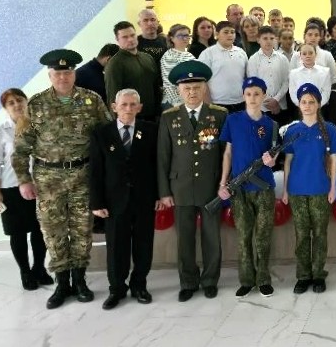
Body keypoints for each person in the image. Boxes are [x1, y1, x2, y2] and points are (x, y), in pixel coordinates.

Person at [12, 49, 111, 309]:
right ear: (50, 75)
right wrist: (24, 180)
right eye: (57, 73)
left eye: (67, 72)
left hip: (82, 177)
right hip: (48, 180)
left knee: (82, 231)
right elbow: (21, 148)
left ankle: (80, 281)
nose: (63, 77)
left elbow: (107, 138)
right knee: (52, 232)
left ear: (74, 73)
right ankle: (62, 283)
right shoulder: (35, 104)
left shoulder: (92, 100)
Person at [156, 61, 227, 302]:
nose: (192, 92)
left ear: (204, 88)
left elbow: (225, 154)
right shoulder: (169, 117)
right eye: (186, 88)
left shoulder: (219, 115)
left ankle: (210, 281)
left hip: (211, 186)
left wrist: (224, 184)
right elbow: (163, 157)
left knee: (211, 238)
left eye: (196, 87)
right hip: (181, 188)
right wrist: (164, 192)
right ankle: (188, 282)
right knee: (184, 239)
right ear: (178, 90)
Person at [88, 89, 159, 309]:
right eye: (124, 104)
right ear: (114, 107)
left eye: (133, 104)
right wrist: (96, 202)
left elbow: (157, 165)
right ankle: (117, 289)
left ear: (140, 107)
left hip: (144, 199)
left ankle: (139, 285)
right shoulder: (101, 133)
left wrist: (159, 195)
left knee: (143, 244)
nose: (128, 108)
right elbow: (95, 171)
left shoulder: (151, 130)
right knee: (116, 247)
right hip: (113, 202)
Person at [217, 77, 278, 298]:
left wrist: (271, 160)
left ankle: (263, 279)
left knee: (263, 237)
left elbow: (274, 155)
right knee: (243, 237)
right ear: (243, 96)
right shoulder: (232, 120)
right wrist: (223, 182)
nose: (253, 98)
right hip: (239, 189)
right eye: (249, 94)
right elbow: (228, 153)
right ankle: (246, 280)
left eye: (257, 94)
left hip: (264, 188)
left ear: (264, 96)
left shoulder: (271, 125)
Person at [0, 88, 52, 291]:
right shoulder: (1, 131)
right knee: (17, 233)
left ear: (27, 101)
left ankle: (39, 268)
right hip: (10, 188)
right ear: (5, 108)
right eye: (11, 103)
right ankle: (25, 272)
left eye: (19, 100)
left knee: (40, 230)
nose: (16, 105)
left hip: (40, 187)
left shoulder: (40, 125)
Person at [281, 82, 336, 294]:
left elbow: (333, 161)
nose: (307, 105)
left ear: (318, 104)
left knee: (320, 234)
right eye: (303, 102)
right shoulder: (292, 131)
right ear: (299, 105)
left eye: (311, 102)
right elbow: (287, 162)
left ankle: (318, 275)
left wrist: (333, 188)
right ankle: (303, 276)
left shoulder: (329, 130)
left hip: (320, 189)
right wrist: (285, 190)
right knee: (302, 235)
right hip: (297, 190)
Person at [106, 21, 161, 120]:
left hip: (153, 117)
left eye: (132, 35)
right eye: (125, 37)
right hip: (131, 119)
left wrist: (159, 114)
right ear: (117, 40)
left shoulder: (148, 58)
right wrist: (118, 124)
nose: (130, 39)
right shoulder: (115, 64)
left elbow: (155, 88)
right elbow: (113, 96)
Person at [198, 21, 248, 112]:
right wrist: (208, 104)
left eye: (232, 32)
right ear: (217, 34)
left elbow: (246, 76)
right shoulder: (208, 53)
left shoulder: (241, 52)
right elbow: (202, 80)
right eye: (226, 32)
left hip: (241, 102)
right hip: (217, 103)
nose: (230, 35)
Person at [248, 26, 289, 120]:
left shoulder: (282, 59)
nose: (269, 41)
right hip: (261, 107)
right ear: (258, 40)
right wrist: (268, 102)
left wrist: (276, 100)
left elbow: (286, 81)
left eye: (271, 38)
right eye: (265, 38)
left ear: (276, 39)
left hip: (280, 106)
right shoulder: (253, 59)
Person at [160, 24, 195, 110]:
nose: (184, 38)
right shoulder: (169, 55)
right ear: (172, 38)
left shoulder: (189, 55)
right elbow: (169, 83)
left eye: (187, 35)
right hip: (174, 103)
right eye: (180, 36)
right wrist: (178, 103)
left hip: (189, 100)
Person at [289, 45, 332, 109]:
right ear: (300, 56)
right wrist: (302, 105)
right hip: (301, 108)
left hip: (320, 108)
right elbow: (292, 92)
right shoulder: (294, 73)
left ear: (316, 55)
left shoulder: (325, 71)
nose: (307, 56)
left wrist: (317, 105)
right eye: (304, 54)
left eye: (310, 53)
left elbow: (326, 92)